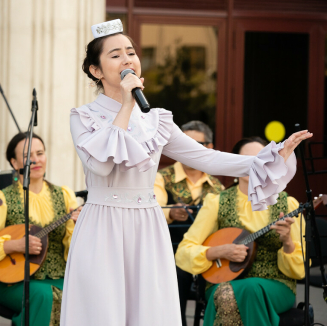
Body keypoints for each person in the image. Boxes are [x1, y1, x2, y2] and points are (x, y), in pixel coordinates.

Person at [60, 18, 311, 326]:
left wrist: (268, 158)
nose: (127, 59)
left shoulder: (156, 119)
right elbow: (100, 164)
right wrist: (126, 104)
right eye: (115, 55)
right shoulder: (83, 117)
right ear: (95, 71)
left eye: (131, 51)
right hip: (103, 223)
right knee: (102, 308)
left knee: (148, 309)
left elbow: (206, 158)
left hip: (146, 223)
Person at [175, 136, 306, 326]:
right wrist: (218, 251)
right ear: (235, 164)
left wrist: (287, 241)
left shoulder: (288, 204)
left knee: (243, 291)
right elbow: (184, 252)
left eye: (259, 159)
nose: (252, 164)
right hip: (222, 281)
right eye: (246, 159)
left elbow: (300, 270)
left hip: (277, 285)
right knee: (231, 292)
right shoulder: (216, 202)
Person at [0, 132, 83, 326]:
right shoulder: (1, 198)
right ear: (14, 163)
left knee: (86, 295)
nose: (36, 160)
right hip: (13, 282)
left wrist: (77, 227)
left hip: (59, 277)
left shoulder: (65, 195)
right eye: (27, 156)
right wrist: (15, 245)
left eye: (40, 153)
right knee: (43, 295)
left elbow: (76, 252)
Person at [154, 120, 224, 326]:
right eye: (182, 143)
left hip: (207, 256)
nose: (187, 150)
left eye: (196, 144)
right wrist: (171, 214)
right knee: (176, 277)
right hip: (169, 253)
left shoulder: (216, 185)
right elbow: (152, 211)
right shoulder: (160, 177)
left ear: (209, 148)